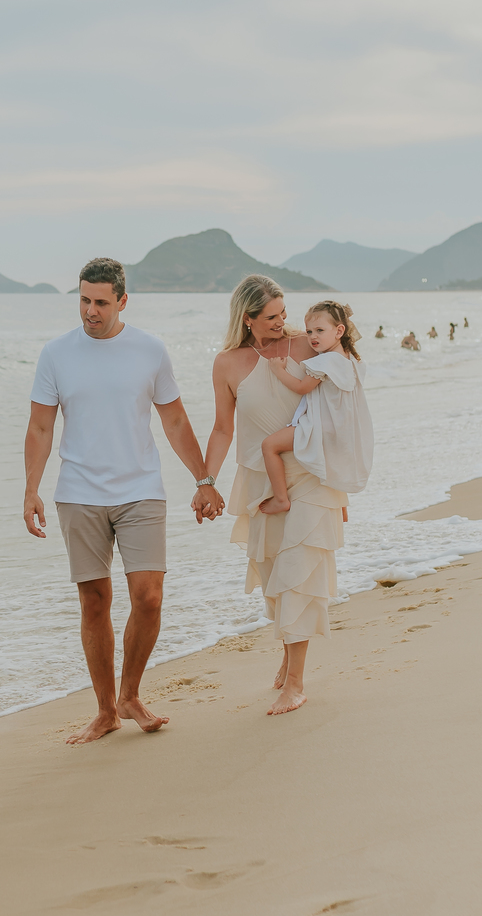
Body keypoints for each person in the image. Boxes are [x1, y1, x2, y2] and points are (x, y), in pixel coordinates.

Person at [23, 257, 224, 745]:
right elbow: (41, 426)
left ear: (122, 301)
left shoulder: (150, 350)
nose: (90, 311)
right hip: (79, 493)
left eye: (101, 303)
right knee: (95, 602)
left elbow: (174, 421)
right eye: (84, 300)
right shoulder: (56, 354)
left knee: (148, 597)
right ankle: (106, 710)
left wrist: (204, 478)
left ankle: (131, 693)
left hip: (140, 489)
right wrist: (31, 488)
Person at [203, 276, 347, 718]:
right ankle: (289, 655)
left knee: (300, 572)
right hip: (261, 481)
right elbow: (224, 429)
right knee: (274, 578)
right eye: (271, 317)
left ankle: (297, 683)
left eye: (284, 313)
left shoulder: (307, 346)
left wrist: (341, 484)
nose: (282, 323)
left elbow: (340, 406)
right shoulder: (227, 363)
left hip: (310, 476)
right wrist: (205, 481)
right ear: (247, 319)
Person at [257, 302, 373, 515]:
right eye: (309, 331)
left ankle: (281, 499)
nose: (312, 337)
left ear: (339, 331)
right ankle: (342, 509)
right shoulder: (350, 360)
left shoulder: (325, 362)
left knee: (269, 446)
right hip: (343, 428)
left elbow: (302, 388)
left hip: (323, 427)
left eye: (320, 330)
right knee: (332, 463)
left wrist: (278, 370)